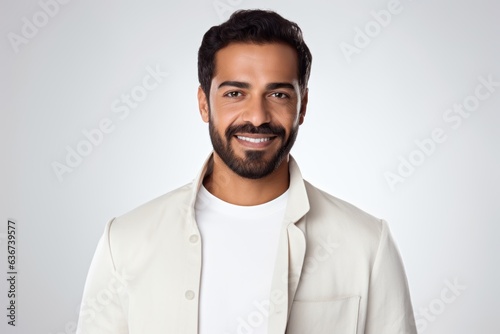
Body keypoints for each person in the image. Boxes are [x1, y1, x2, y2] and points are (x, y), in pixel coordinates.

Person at [76, 9, 417, 334]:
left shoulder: (367, 245)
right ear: (203, 103)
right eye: (235, 93)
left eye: (279, 93)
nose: (257, 116)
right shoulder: (125, 241)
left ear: (302, 107)